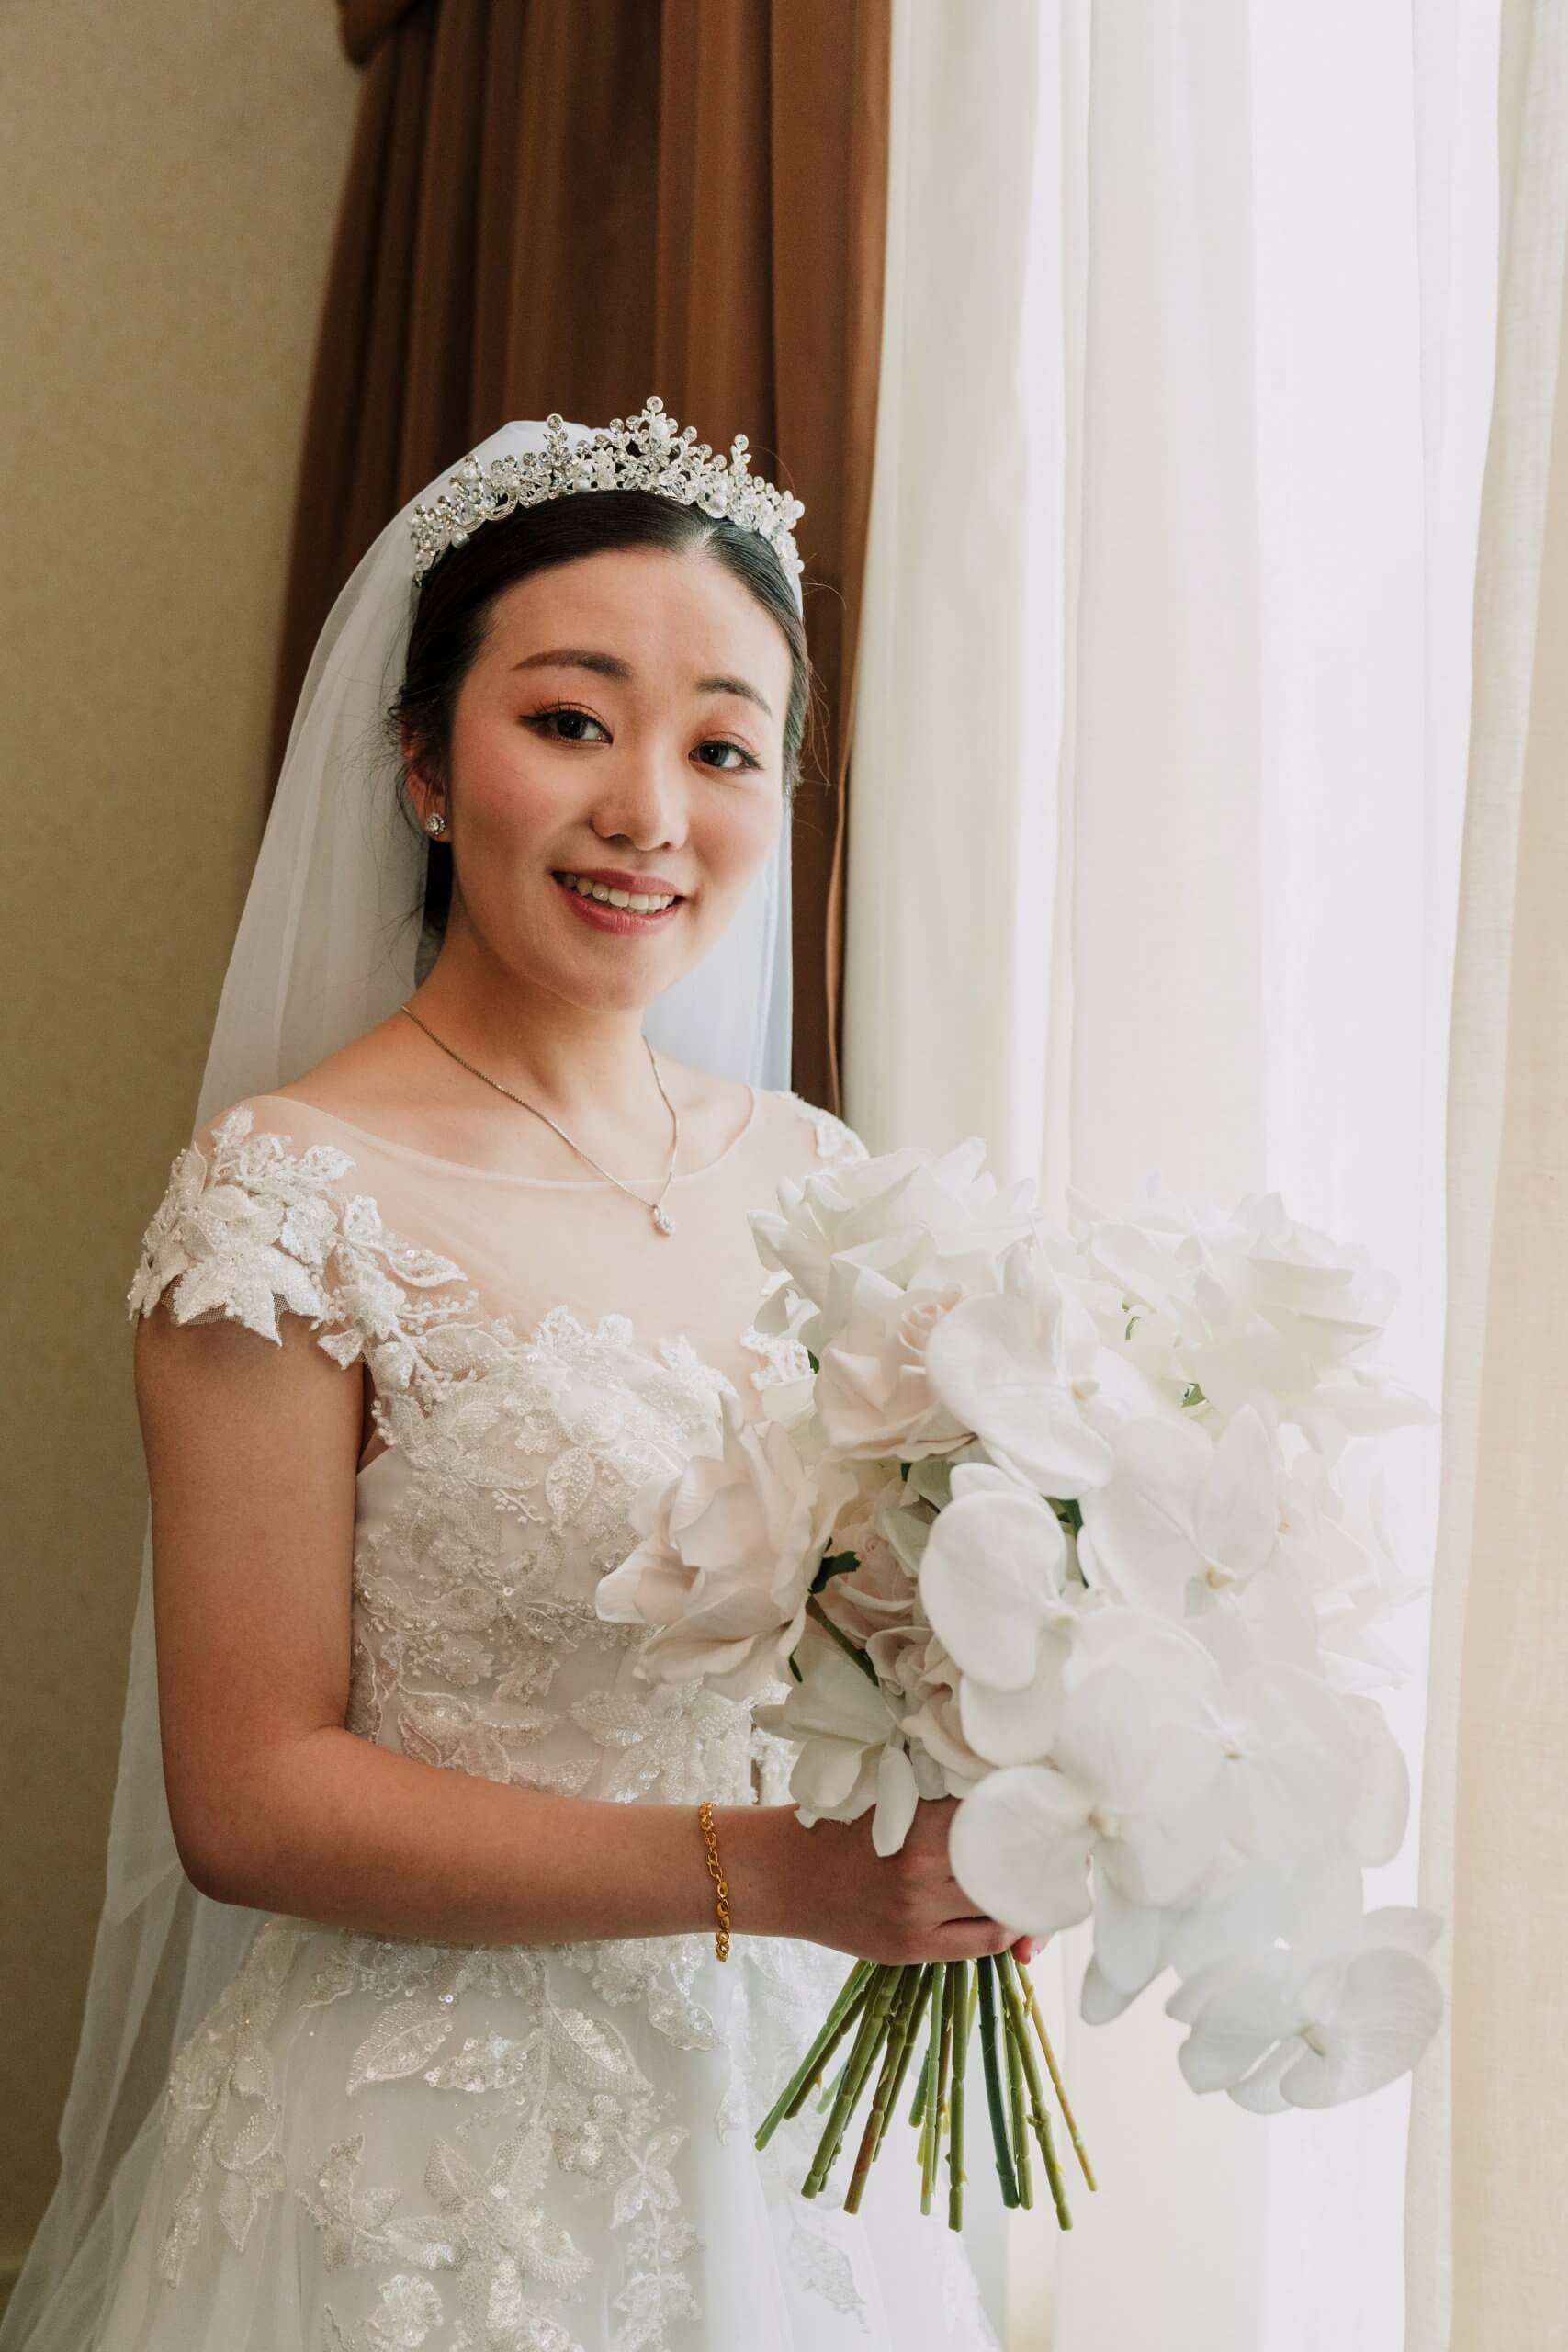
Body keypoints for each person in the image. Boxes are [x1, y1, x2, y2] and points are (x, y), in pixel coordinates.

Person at [4, 401, 1034, 2352]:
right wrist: (773, 1875)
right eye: (569, 721)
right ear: (418, 762)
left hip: (789, 2134)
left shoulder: (828, 1179)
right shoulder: (285, 1194)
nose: (650, 806)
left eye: (721, 744)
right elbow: (251, 1792)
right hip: (422, 2166)